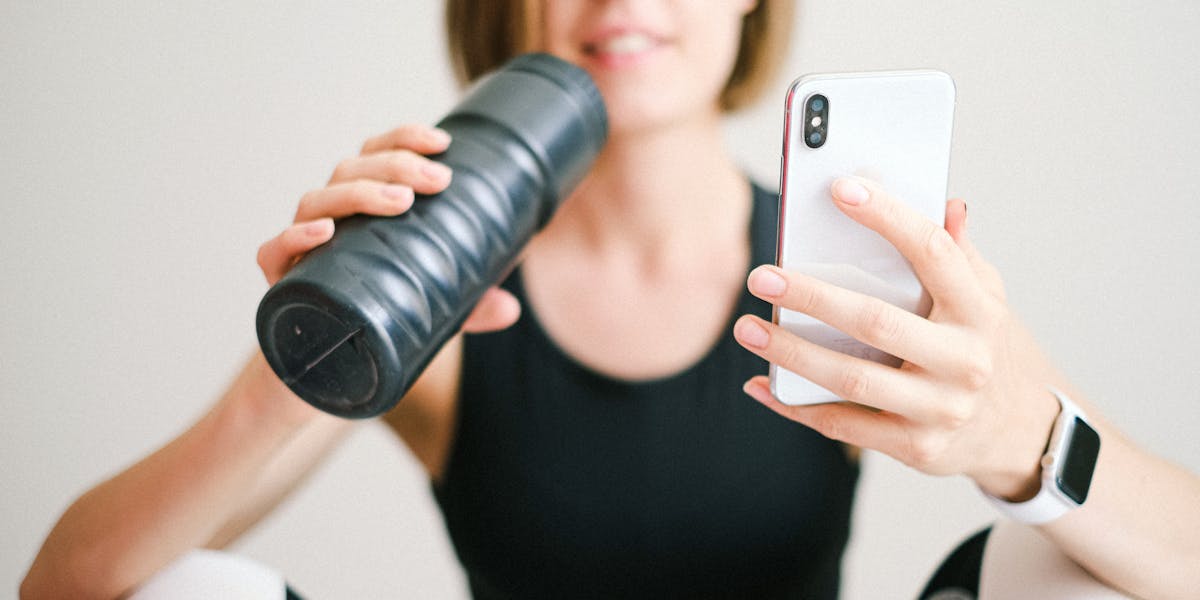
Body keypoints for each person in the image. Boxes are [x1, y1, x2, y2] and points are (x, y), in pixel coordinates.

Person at [21, 1, 1200, 598]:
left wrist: (1029, 440)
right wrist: (316, 345)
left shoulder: (851, 279)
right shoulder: (442, 302)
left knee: (1067, 560)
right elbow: (66, 586)